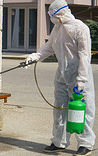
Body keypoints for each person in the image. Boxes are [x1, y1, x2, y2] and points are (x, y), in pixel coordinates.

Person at [25, 0, 95, 155]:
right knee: (60, 110)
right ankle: (59, 142)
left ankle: (86, 144)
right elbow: (49, 47)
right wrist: (34, 56)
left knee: (83, 110)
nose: (51, 17)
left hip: (79, 76)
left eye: (52, 14)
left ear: (60, 13)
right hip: (62, 76)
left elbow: (85, 55)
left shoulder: (80, 28)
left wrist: (81, 79)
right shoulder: (57, 29)